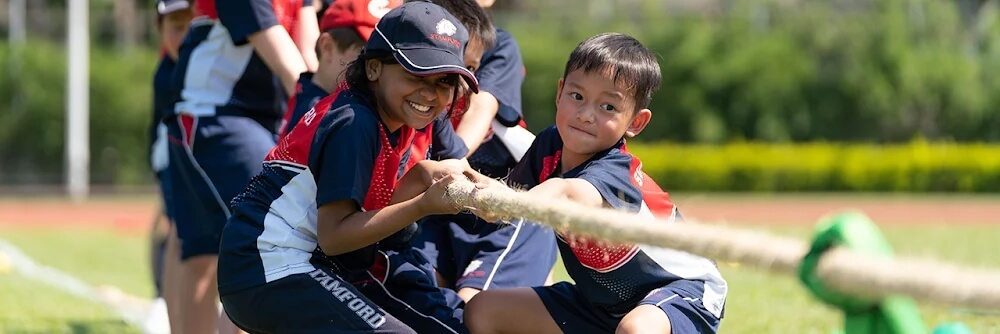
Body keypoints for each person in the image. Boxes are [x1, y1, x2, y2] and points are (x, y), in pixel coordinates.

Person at [216, 2, 493, 332]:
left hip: (305, 263)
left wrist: (422, 176)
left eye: (445, 81)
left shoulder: (398, 116)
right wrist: (422, 204)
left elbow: (363, 223)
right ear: (374, 68)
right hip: (267, 267)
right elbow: (334, 237)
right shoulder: (354, 121)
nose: (430, 92)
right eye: (415, 73)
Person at [463, 33, 729, 334]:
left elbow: (569, 193)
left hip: (681, 294)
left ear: (635, 123)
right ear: (560, 92)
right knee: (483, 310)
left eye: (608, 108)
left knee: (636, 329)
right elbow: (508, 198)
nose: (586, 115)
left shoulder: (616, 169)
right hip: (601, 305)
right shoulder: (550, 145)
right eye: (577, 97)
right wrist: (463, 181)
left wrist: (511, 201)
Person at [164, 0, 318, 332]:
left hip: (256, 119)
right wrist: (330, 116)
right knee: (269, 239)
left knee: (206, 253)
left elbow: (311, 52)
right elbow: (290, 66)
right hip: (218, 115)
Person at [407, 0, 557, 303]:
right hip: (436, 205)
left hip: (494, 200)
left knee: (475, 305)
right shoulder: (415, 39)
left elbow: (480, 110)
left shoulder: (496, 45)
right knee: (419, 295)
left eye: (470, 69)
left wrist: (452, 160)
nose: (461, 80)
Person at [278, 0, 403, 139]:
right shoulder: (321, 117)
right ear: (327, 47)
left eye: (389, 60)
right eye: (366, 55)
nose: (377, 70)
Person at [145, 1, 193, 333]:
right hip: (171, 155)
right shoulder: (168, 73)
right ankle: (163, 297)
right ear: (160, 31)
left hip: (190, 154)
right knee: (174, 227)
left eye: (191, 25)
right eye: (176, 27)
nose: (185, 35)